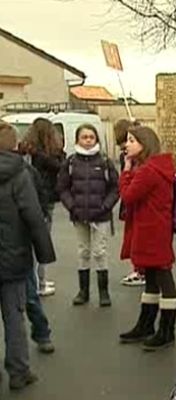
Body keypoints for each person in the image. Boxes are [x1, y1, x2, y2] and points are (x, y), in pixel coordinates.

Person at [0, 122, 56, 390]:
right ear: (13, 145)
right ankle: (18, 371)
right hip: (13, 258)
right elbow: (33, 215)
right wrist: (44, 253)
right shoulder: (20, 173)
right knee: (14, 316)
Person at [118, 126, 176, 351]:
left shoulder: (148, 171)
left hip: (151, 230)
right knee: (152, 276)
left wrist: (125, 171)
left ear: (145, 144)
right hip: (154, 227)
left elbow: (128, 195)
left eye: (132, 140)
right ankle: (146, 324)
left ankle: (166, 330)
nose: (127, 145)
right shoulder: (155, 167)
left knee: (162, 275)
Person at [56, 124, 119, 307]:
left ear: (96, 139)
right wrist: (72, 206)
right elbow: (62, 188)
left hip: (100, 215)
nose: (88, 140)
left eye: (91, 137)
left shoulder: (105, 162)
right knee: (83, 251)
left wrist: (105, 206)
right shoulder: (70, 163)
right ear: (77, 140)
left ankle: (103, 292)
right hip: (79, 215)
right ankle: (83, 291)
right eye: (84, 137)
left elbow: (115, 188)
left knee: (100, 252)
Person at [20, 117, 64, 296]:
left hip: (26, 199)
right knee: (41, 242)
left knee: (28, 242)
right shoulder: (45, 157)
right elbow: (60, 167)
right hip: (44, 201)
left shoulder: (27, 153)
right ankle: (39, 282)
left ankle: (36, 280)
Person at [113, 119, 146, 287]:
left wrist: (127, 168)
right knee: (132, 237)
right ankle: (139, 269)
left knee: (137, 237)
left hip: (136, 202)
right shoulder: (126, 156)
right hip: (131, 202)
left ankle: (141, 270)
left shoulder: (140, 161)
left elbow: (127, 185)